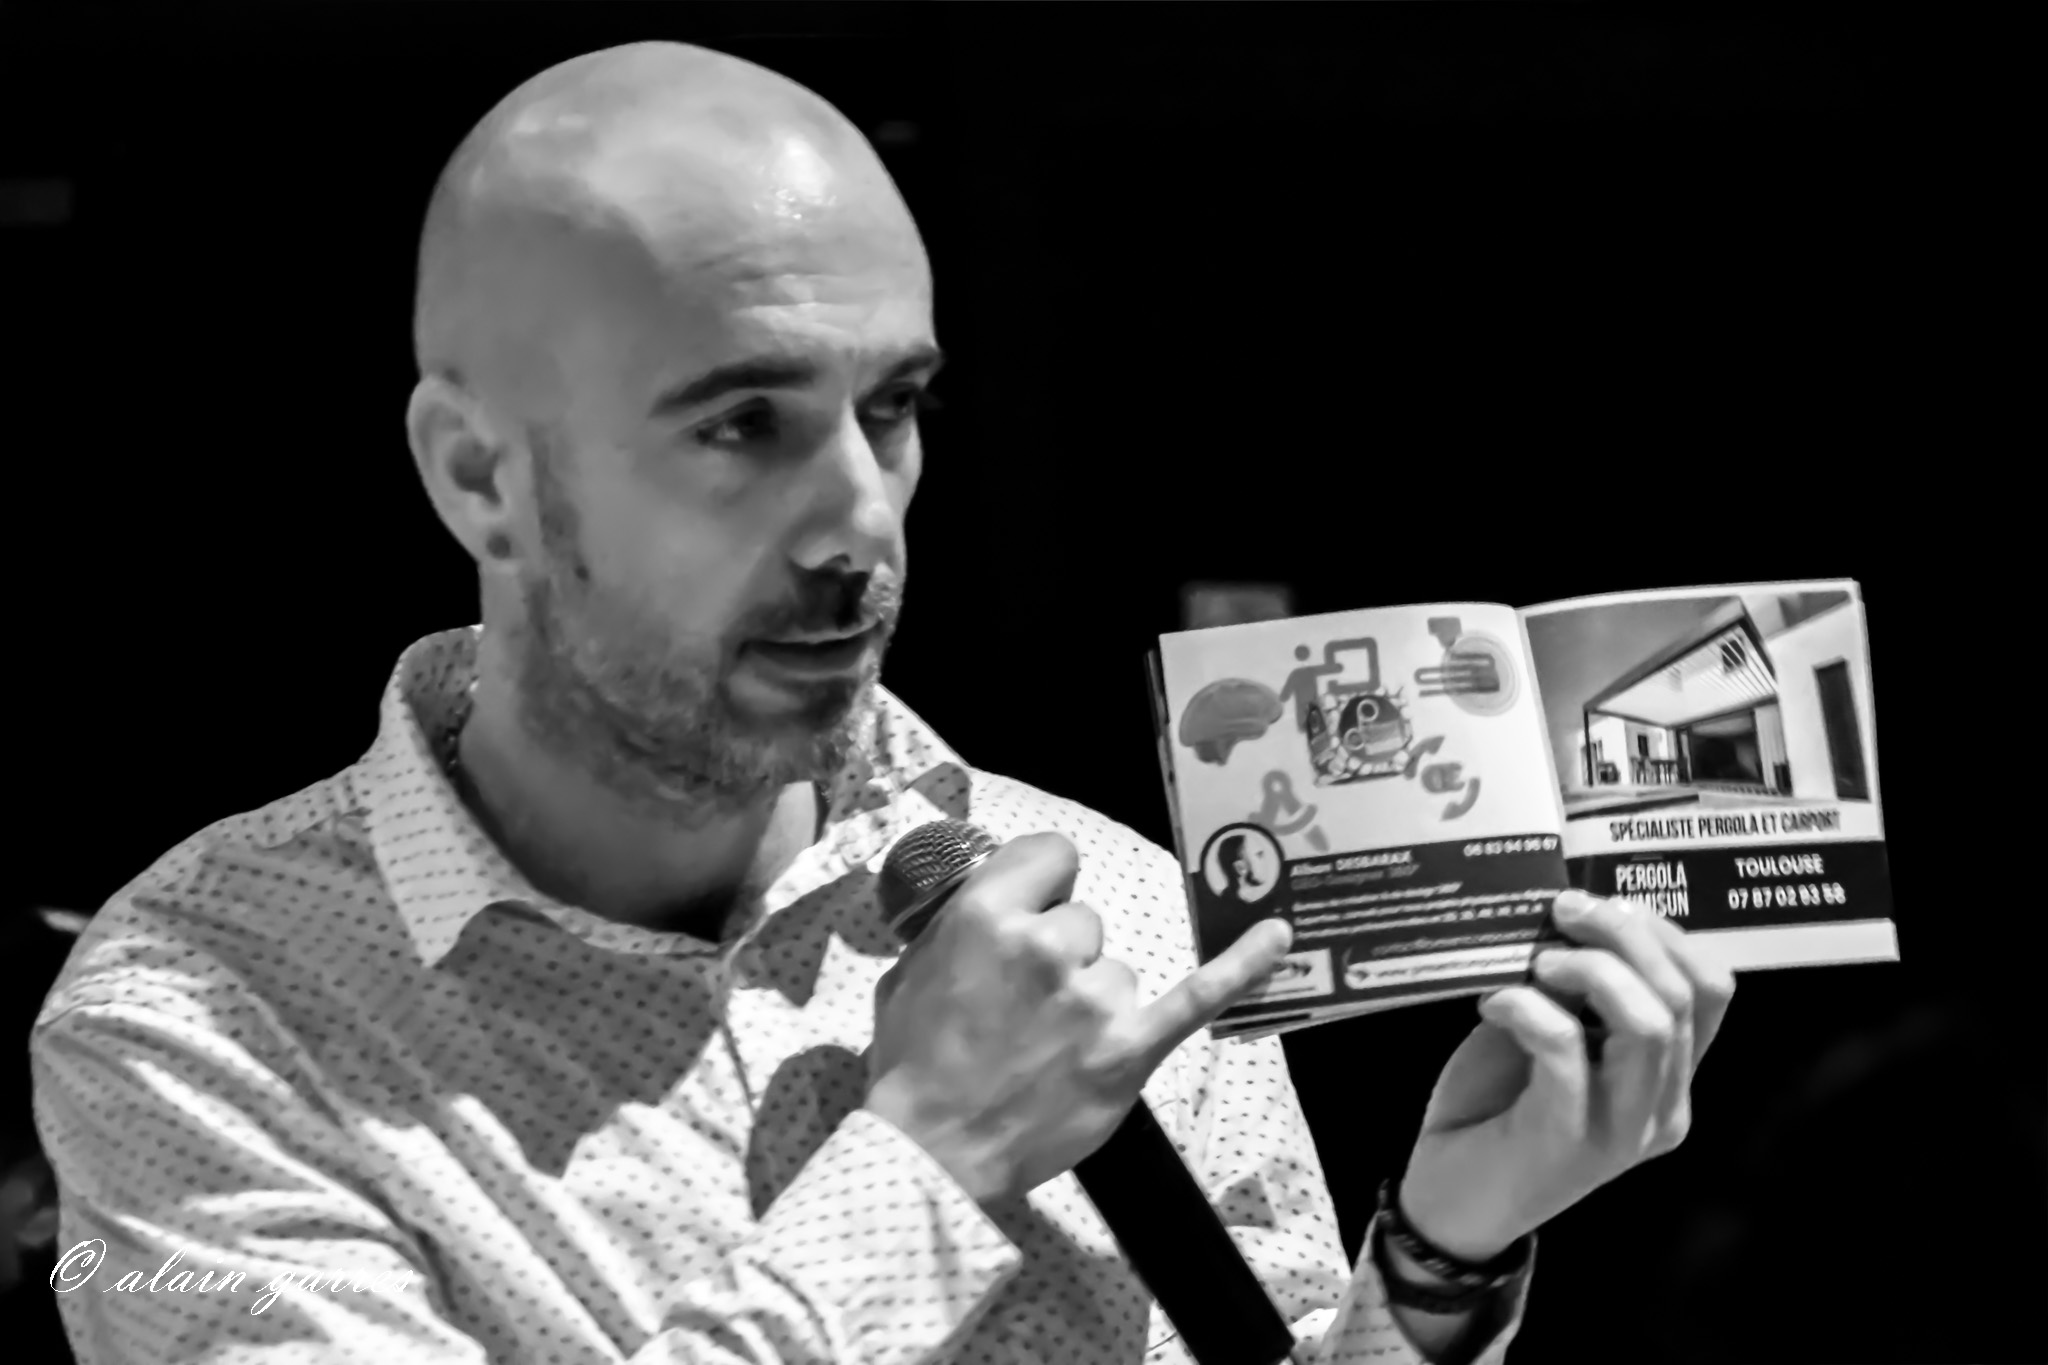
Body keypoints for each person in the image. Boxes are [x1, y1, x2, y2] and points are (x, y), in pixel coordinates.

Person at [32, 42, 1734, 1365]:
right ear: (483, 476)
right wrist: (922, 1168)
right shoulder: (198, 1017)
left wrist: (1440, 1256)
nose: (862, 516)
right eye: (742, 423)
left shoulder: (1114, 898)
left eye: (894, 409)